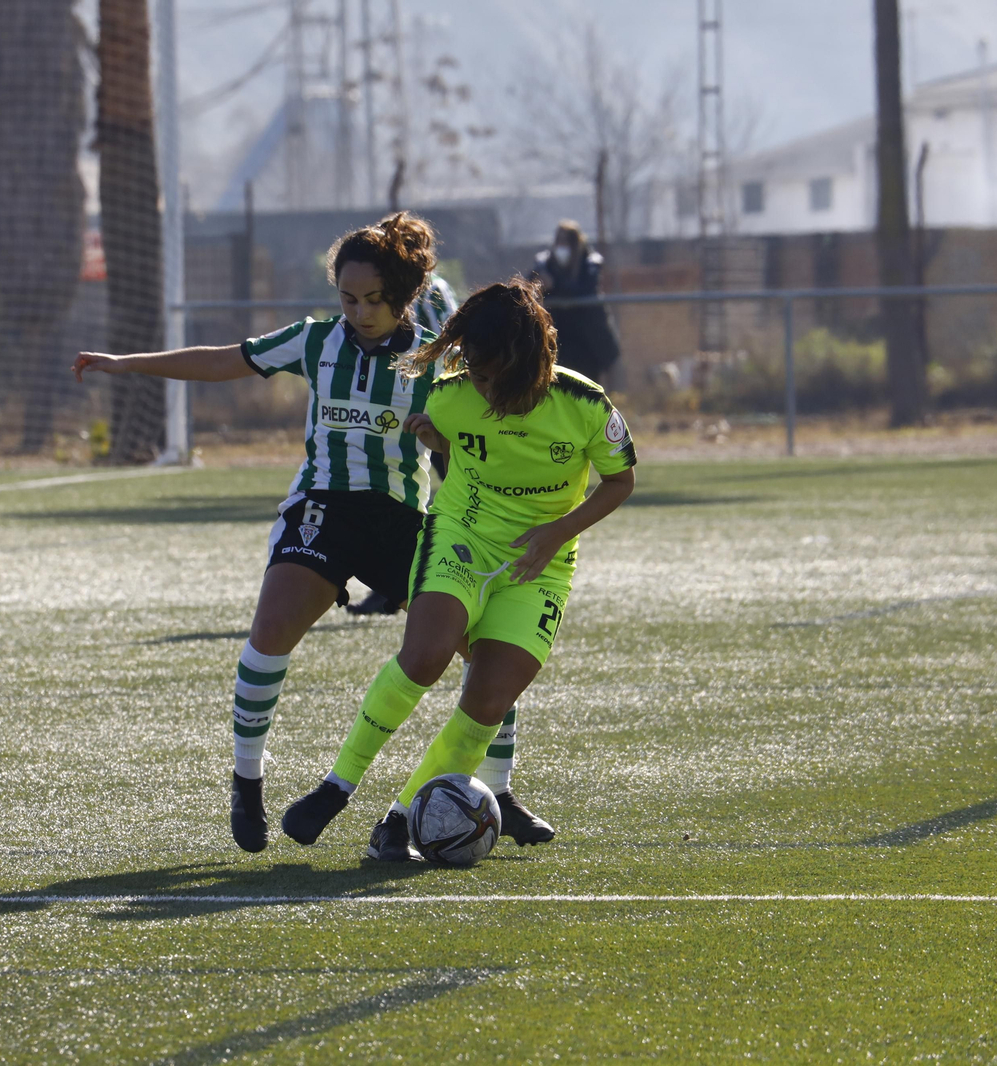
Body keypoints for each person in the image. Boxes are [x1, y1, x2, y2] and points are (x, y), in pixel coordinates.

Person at [71, 214, 555, 855]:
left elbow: (483, 428)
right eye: (348, 299)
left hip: (406, 521)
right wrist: (127, 364)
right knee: (269, 634)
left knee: (485, 659)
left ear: (405, 294)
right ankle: (247, 783)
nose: (358, 312)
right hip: (323, 508)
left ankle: (501, 790)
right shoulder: (313, 341)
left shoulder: (438, 358)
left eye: (373, 300)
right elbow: (227, 360)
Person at [280, 278, 637, 861]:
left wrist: (554, 533)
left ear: (535, 359)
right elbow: (464, 447)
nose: (486, 387)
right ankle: (335, 787)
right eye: (476, 372)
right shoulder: (448, 394)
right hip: (461, 538)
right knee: (424, 657)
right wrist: (440, 442)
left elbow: (620, 480)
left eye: (496, 374)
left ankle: (398, 820)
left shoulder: (587, 405)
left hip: (539, 565)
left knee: (489, 701)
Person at [345, 271, 458, 618]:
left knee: (459, 489)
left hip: (435, 399)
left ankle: (456, 578)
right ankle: (389, 587)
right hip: (401, 404)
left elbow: (452, 342)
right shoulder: (387, 290)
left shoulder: (431, 290)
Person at [530, 221, 622, 385]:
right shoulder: (545, 263)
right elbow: (529, 282)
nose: (561, 247)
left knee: (586, 386)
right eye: (559, 241)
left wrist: (555, 284)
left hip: (587, 340)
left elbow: (584, 289)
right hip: (558, 336)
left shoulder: (589, 263)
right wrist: (539, 282)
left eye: (566, 242)